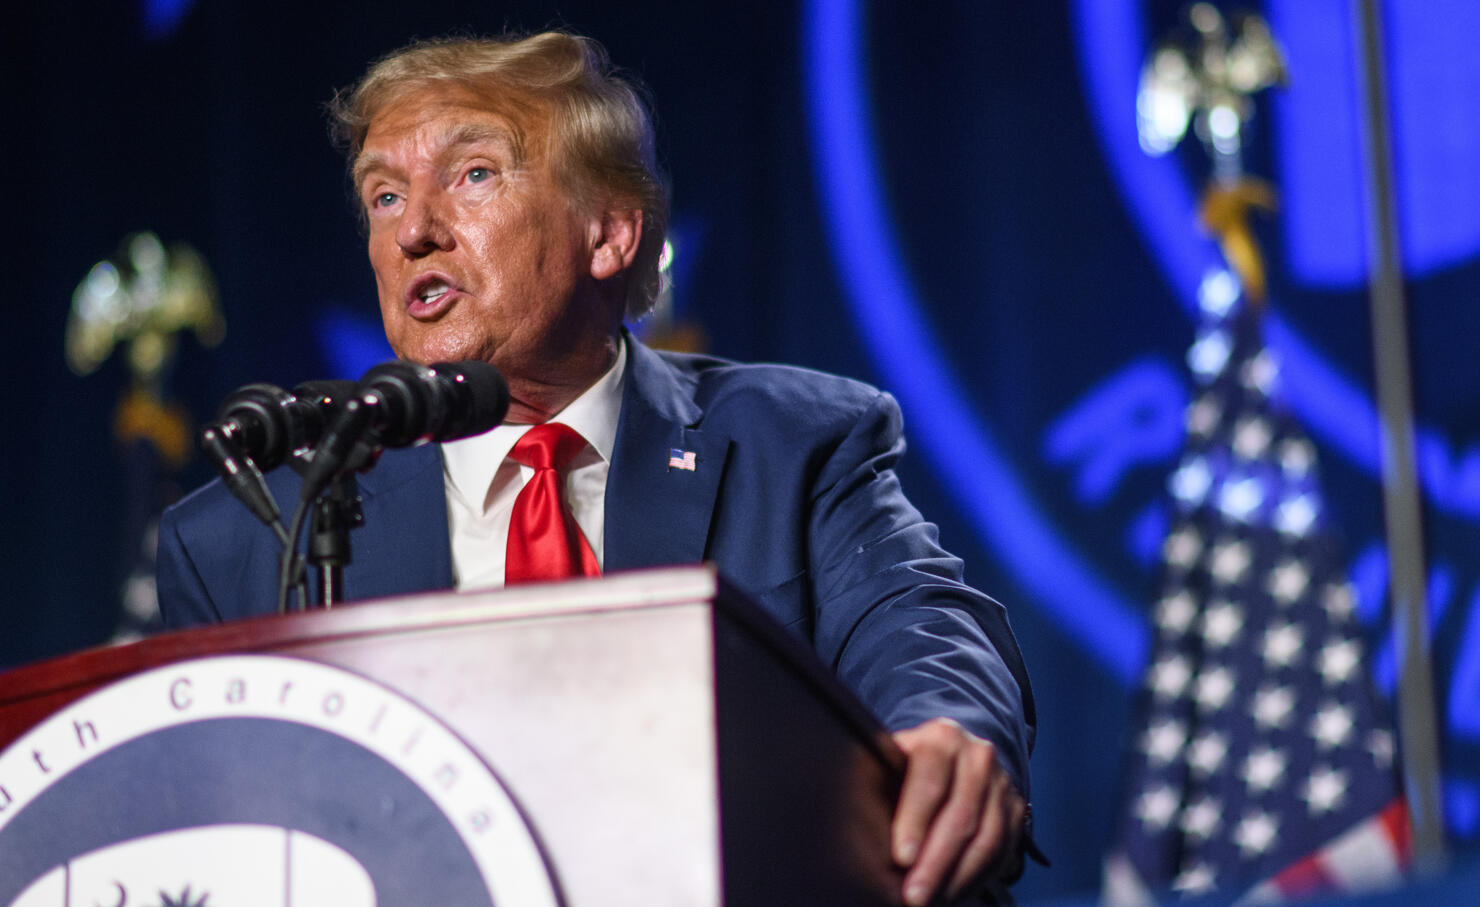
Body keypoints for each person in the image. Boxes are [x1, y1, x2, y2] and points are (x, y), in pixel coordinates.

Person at [156, 31, 1037, 905]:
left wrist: (946, 730)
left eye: (472, 176)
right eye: (384, 196)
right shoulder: (247, 536)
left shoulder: (789, 443)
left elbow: (918, 622)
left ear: (610, 233)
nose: (413, 232)